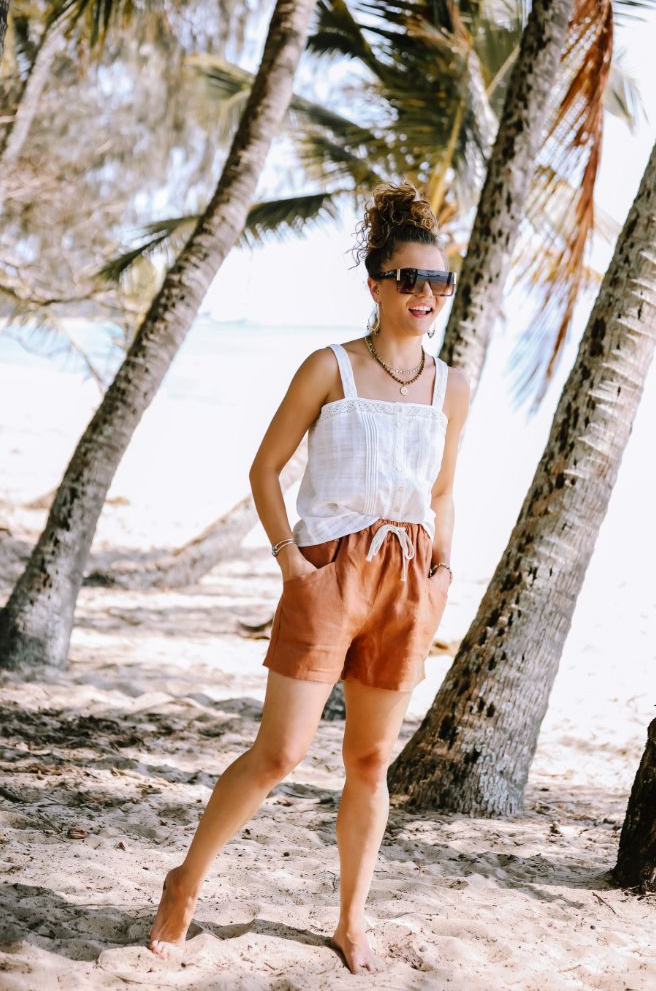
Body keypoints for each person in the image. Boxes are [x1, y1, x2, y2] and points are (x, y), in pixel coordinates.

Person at [148, 180, 470, 974]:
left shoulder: (452, 387)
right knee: (282, 752)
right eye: (409, 279)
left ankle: (351, 920)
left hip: (407, 582)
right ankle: (184, 884)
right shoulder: (331, 367)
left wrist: (443, 575)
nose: (424, 294)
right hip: (329, 571)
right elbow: (264, 468)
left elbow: (441, 493)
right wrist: (290, 560)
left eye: (438, 282)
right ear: (376, 285)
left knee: (369, 763)